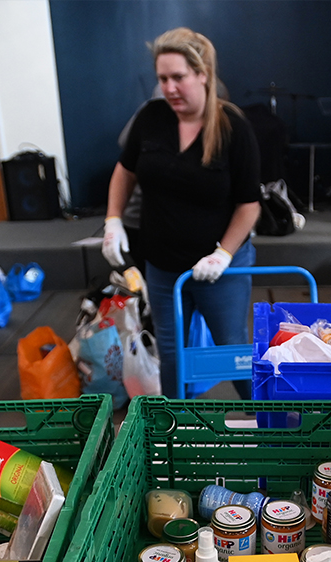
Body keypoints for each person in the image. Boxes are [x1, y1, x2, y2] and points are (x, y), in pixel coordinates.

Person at [103, 27, 261, 399]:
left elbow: (249, 204)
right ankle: (175, 432)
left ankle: (268, 423)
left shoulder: (233, 127)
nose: (169, 88)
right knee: (172, 356)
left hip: (221, 266)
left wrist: (224, 253)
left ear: (202, 74)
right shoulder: (151, 118)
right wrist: (113, 219)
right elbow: (124, 171)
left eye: (178, 78)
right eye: (162, 79)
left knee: (231, 349)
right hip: (162, 265)